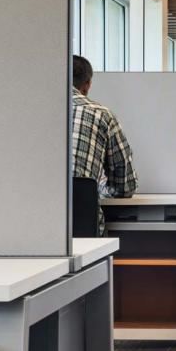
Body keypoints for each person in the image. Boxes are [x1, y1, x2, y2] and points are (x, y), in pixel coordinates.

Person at [71, 54, 137, 234]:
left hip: (28, 225)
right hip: (82, 225)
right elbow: (125, 184)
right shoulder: (101, 115)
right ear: (87, 85)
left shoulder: (30, 111)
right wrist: (97, 187)